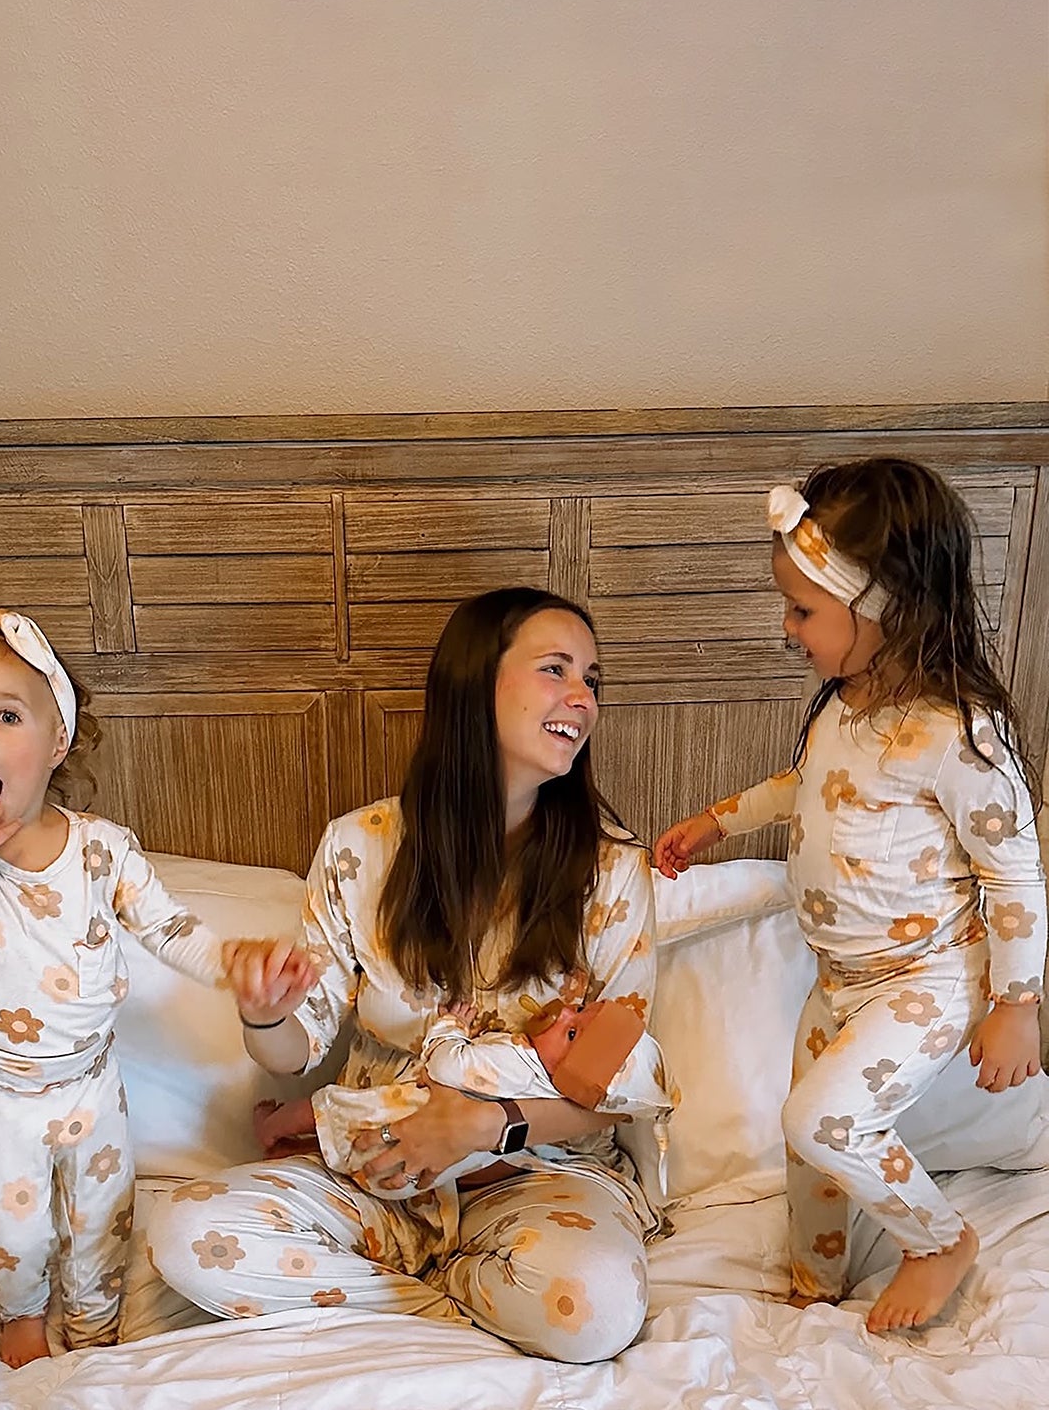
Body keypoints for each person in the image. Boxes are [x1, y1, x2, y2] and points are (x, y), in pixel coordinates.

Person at [146, 587, 674, 1364]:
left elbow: (609, 1080)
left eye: (592, 679)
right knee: (187, 1234)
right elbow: (293, 1053)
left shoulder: (613, 871)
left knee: (591, 1310)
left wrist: (484, 1123)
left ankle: (391, 1304)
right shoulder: (358, 848)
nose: (583, 698)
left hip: (539, 1178)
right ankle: (454, 1307)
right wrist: (264, 1013)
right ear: (475, 681)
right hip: (378, 1175)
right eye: (556, 669)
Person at [653, 459, 1045, 1334]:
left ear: (885, 607)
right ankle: (815, 1278)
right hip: (844, 979)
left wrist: (1017, 1004)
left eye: (803, 610)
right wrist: (717, 822)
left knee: (824, 1119)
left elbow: (1015, 872)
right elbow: (808, 787)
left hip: (929, 977)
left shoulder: (960, 734)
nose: (788, 628)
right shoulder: (847, 706)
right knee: (808, 1144)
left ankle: (938, 1242)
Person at [0, 607, 252, 1369]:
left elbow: (170, 930)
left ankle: (93, 1321)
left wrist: (236, 965)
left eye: (6, 715)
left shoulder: (101, 850)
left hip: (89, 1083)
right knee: (10, 1227)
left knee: (101, 1218)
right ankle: (21, 1314)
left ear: (57, 742)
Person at [256, 993, 649, 1199]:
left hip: (400, 1120)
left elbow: (446, 1066)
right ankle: (294, 1151)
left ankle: (272, 1128)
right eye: (578, 1008)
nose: (562, 1013)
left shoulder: (516, 1062)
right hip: (420, 1179)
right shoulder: (556, 1099)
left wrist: (450, 1026)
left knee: (326, 1110)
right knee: (351, 1153)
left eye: (571, 1033)